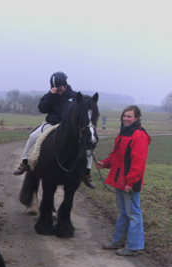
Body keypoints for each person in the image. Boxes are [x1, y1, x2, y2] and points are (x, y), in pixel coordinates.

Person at [13, 71, 95, 188]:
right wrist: (50, 96)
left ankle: (87, 173)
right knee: (33, 136)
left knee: (87, 144)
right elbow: (42, 108)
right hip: (52, 124)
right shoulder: (50, 95)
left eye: (59, 87)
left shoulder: (76, 96)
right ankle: (24, 162)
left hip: (70, 127)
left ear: (65, 85)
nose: (58, 90)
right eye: (54, 88)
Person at [96, 105, 151, 256]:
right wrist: (105, 163)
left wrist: (130, 181)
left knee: (133, 213)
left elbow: (138, 163)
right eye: (124, 116)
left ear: (137, 118)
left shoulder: (138, 135)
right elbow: (116, 155)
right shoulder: (123, 134)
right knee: (123, 212)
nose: (126, 119)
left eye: (129, 116)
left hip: (130, 182)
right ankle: (118, 241)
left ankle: (133, 246)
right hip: (120, 180)